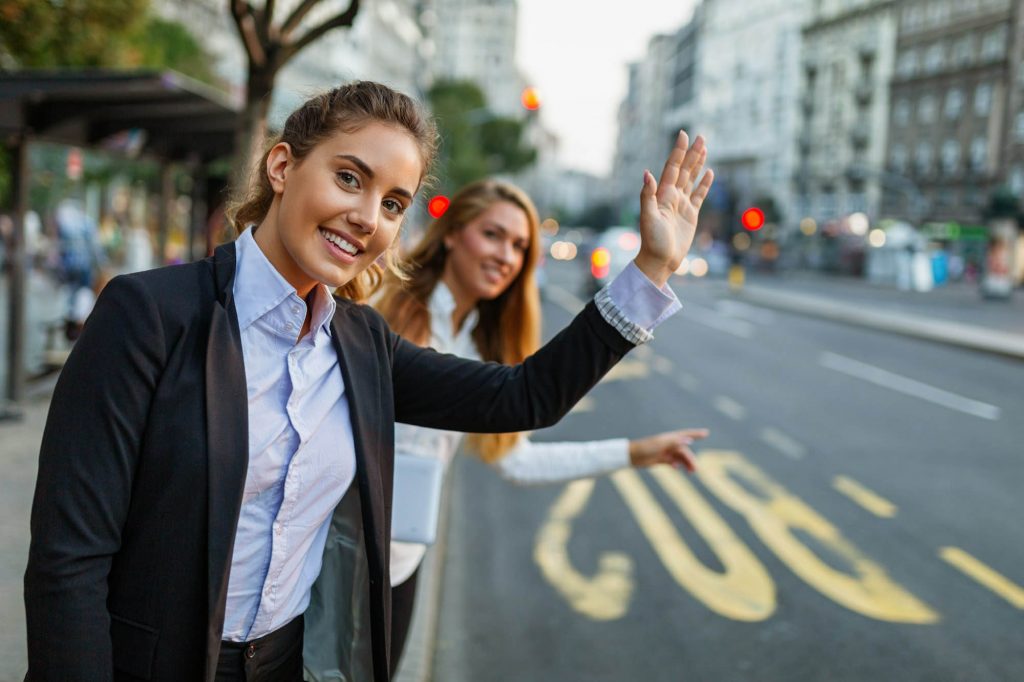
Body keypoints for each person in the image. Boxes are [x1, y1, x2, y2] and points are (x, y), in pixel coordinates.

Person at [24, 81, 713, 682]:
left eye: (392, 203)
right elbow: (68, 563)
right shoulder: (147, 315)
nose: (367, 217)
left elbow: (523, 396)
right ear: (283, 165)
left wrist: (650, 271)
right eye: (350, 178)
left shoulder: (361, 342)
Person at [374, 178, 710, 673]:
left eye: (520, 246)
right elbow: (529, 396)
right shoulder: (381, 309)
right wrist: (650, 269)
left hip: (401, 564)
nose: (506, 255)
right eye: (492, 234)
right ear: (451, 234)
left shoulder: (481, 347)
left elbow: (514, 457)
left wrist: (634, 452)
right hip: (328, 558)